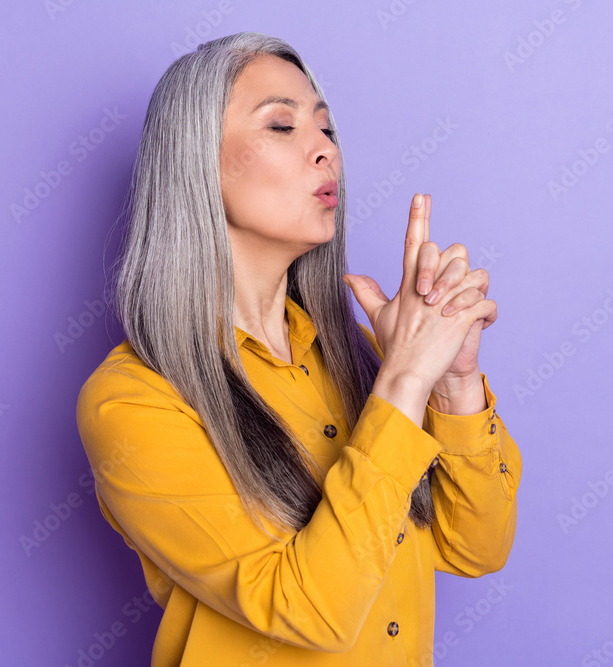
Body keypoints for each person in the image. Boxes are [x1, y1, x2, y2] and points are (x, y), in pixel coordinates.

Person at [76, 31, 521, 666]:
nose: (325, 152)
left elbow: (476, 547)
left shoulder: (363, 359)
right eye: (282, 125)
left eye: (328, 129)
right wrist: (404, 381)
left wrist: (451, 377)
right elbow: (310, 610)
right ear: (195, 164)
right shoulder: (132, 403)